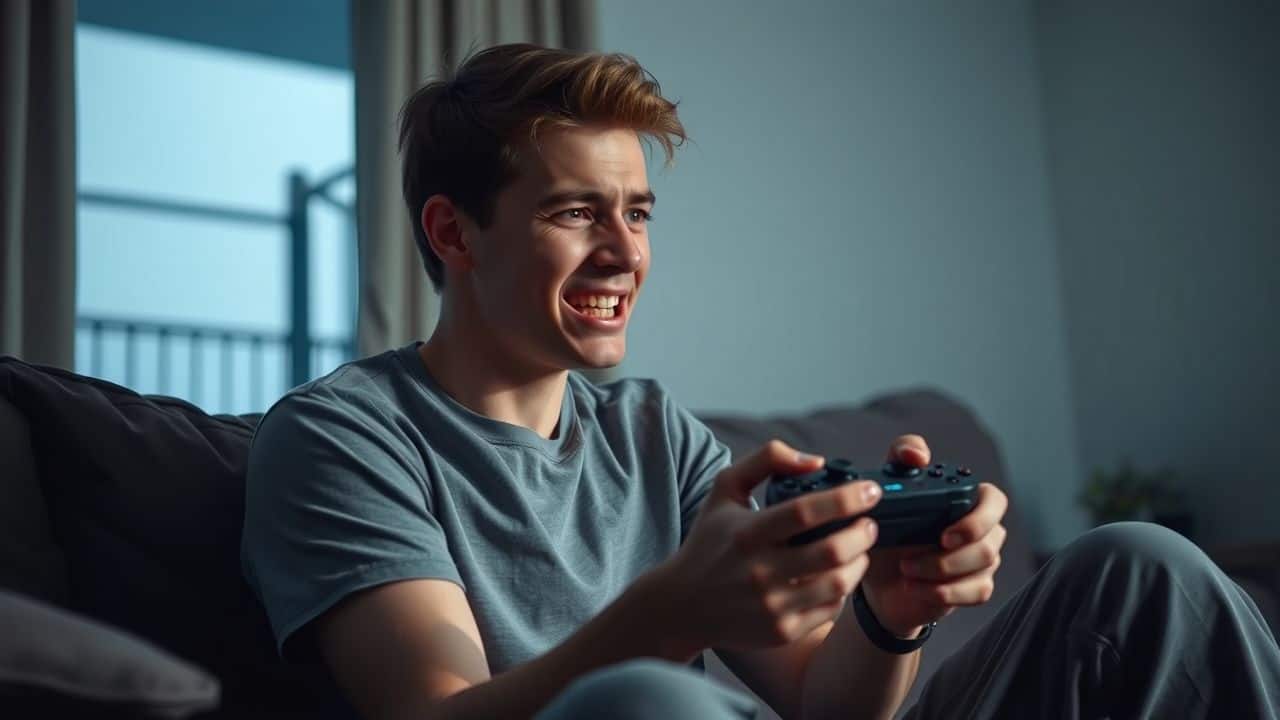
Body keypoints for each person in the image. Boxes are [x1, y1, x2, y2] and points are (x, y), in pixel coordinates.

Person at [241, 43, 1280, 719]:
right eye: (574, 213)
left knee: (1141, 566)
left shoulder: (657, 433)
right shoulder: (342, 436)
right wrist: (664, 614)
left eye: (636, 212)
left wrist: (889, 609)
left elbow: (829, 706)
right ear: (450, 232)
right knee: (644, 705)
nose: (622, 253)